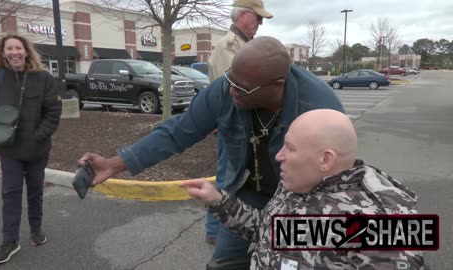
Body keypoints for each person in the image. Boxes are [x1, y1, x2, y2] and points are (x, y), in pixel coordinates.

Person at [78, 36, 344, 266]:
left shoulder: (319, 106)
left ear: (277, 85)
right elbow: (176, 132)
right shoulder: (226, 90)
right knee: (223, 264)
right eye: (230, 79)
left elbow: (336, 176)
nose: (231, 90)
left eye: (241, 88)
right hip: (244, 194)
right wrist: (113, 164)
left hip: (298, 201)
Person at [181, 109, 425, 269]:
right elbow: (267, 230)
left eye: (290, 148)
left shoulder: (378, 226)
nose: (278, 156)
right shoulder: (297, 182)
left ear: (325, 160)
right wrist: (218, 200)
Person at [0, 34, 62, 265]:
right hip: (9, 149)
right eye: (10, 48)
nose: (14, 52)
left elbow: (53, 113)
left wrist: (38, 136)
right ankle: (10, 241)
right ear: (3, 52)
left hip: (37, 149)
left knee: (35, 191)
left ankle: (36, 229)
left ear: (26, 51)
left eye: (18, 48)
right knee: (10, 194)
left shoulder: (44, 78)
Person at [206, 0, 273, 245]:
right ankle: (215, 231)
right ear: (244, 15)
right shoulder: (229, 47)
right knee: (227, 178)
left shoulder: (243, 45)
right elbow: (237, 91)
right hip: (234, 125)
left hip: (243, 126)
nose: (260, 23)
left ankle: (223, 228)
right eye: (258, 17)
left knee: (233, 176)